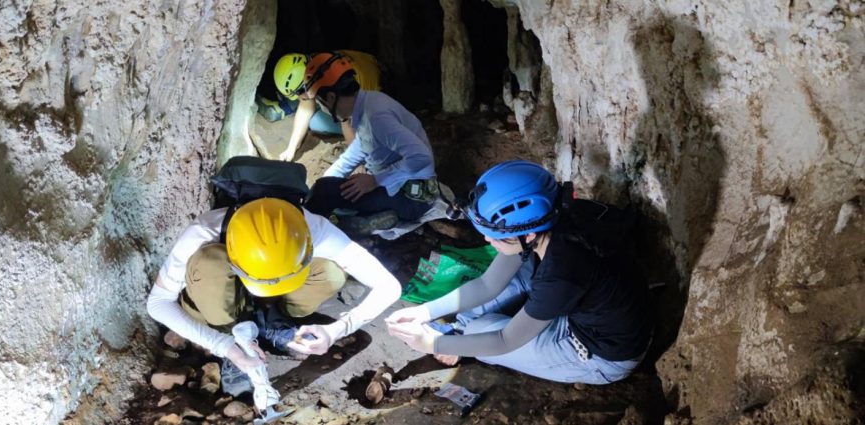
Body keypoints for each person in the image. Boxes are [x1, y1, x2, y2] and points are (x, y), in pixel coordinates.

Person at [386, 160, 653, 384]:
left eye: (495, 235)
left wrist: (432, 345)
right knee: (481, 311)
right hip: (604, 305)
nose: (489, 241)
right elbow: (488, 285)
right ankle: (460, 333)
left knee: (478, 330)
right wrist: (425, 311)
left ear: (529, 234)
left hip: (602, 354)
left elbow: (505, 340)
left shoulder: (560, 272)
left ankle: (459, 338)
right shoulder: (560, 212)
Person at [146, 196, 401, 395]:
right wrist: (226, 347)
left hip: (271, 298)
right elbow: (158, 303)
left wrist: (337, 330)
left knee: (331, 273)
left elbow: (389, 287)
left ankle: (272, 324)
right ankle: (238, 339)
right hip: (217, 300)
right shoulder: (204, 231)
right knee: (209, 263)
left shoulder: (313, 229)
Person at [300, 52, 437, 235]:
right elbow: (357, 151)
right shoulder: (368, 104)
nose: (322, 108)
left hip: (413, 199)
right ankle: (371, 219)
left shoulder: (376, 117)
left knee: (327, 194)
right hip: (404, 188)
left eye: (320, 103)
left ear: (331, 98)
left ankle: (303, 233)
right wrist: (326, 181)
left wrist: (374, 180)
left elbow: (422, 157)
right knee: (328, 189)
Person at [272, 51, 382, 161]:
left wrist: (357, 162)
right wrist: (291, 148)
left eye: (299, 94)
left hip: (375, 98)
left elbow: (347, 124)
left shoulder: (338, 89)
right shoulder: (319, 64)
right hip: (370, 62)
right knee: (312, 109)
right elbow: (305, 107)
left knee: (316, 123)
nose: (299, 98)